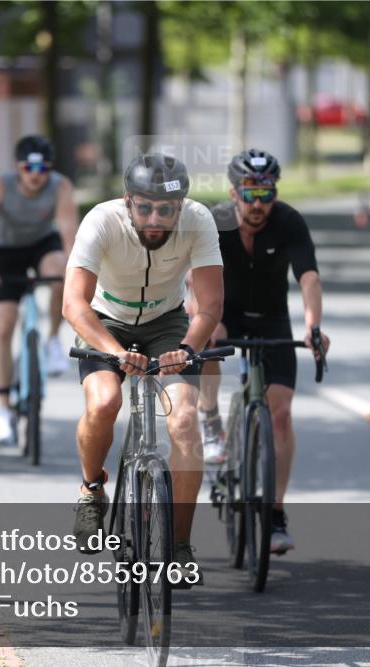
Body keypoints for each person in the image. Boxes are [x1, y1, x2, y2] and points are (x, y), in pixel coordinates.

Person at [62, 152, 224, 587]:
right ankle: (91, 489)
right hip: (105, 322)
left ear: (181, 205)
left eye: (167, 209)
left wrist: (188, 350)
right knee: (105, 400)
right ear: (127, 200)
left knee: (185, 419)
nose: (155, 219)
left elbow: (209, 305)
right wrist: (115, 351)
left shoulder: (199, 221)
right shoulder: (101, 221)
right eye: (145, 207)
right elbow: (73, 304)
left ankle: (179, 545)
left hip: (167, 323)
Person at [190, 148, 330, 555]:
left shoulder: (288, 221)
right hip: (221, 311)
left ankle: (274, 513)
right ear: (233, 193)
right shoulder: (213, 222)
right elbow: (192, 276)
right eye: (249, 193)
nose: (257, 203)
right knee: (207, 343)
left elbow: (309, 277)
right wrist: (205, 316)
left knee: (281, 416)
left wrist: (314, 326)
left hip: (271, 319)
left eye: (266, 193)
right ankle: (211, 420)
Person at [0, 135, 79, 445]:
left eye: (43, 167)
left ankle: (54, 340)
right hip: (5, 250)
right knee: (4, 324)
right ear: (18, 167)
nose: (36, 174)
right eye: (29, 167)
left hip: (43, 246)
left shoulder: (60, 187)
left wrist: (75, 273)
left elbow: (70, 234)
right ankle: (3, 410)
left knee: (61, 273)